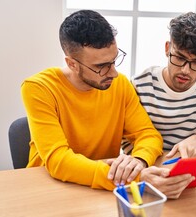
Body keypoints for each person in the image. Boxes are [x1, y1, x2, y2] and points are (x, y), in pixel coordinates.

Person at [21, 10, 163, 191]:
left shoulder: (120, 84)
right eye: (101, 66)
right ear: (72, 64)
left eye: (114, 60)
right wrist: (134, 179)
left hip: (103, 187)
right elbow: (59, 160)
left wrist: (139, 160)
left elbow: (148, 134)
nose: (114, 73)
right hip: (48, 187)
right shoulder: (38, 88)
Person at [123, 12, 196, 198]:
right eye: (179, 58)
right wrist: (161, 165)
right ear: (167, 48)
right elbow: (128, 144)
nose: (185, 70)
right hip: (155, 180)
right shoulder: (140, 84)